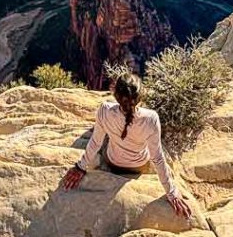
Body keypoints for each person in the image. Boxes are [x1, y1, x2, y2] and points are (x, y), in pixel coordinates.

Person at [61, 71, 192, 218]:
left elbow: (95, 142)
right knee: (151, 144)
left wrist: (81, 166)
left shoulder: (104, 109)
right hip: (139, 166)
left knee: (102, 134)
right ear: (140, 97)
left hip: (113, 162)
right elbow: (157, 158)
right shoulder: (151, 118)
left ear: (115, 94)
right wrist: (171, 192)